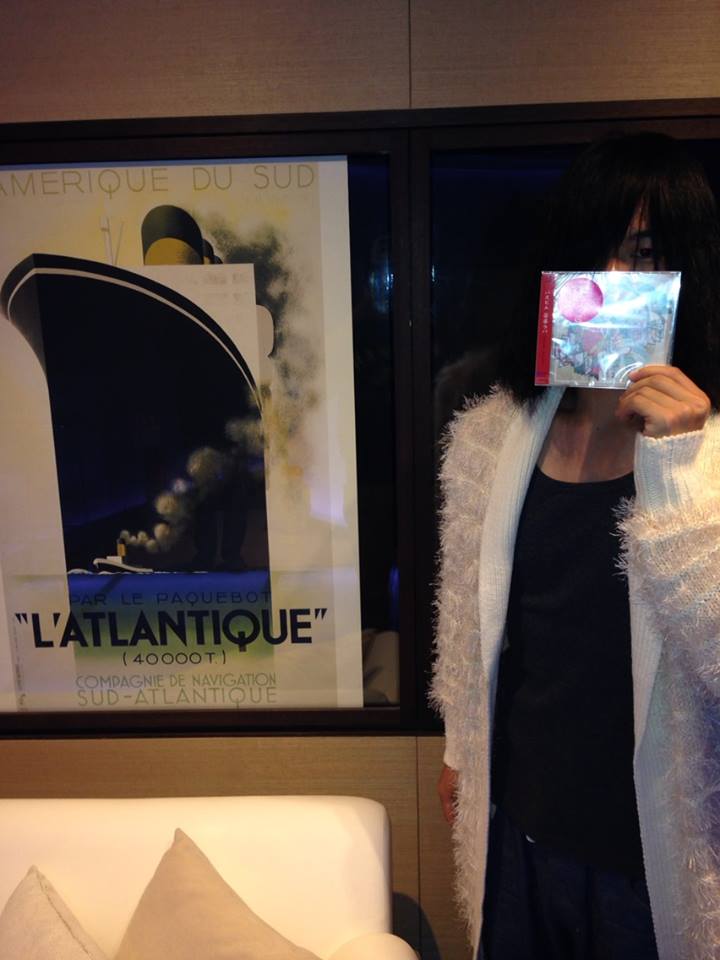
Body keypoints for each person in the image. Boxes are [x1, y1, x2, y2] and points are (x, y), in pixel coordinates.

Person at [430, 132, 720, 960]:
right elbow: (469, 619)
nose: (615, 278)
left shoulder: (708, 452)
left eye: (646, 254)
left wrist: (680, 466)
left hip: (655, 854)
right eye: (595, 251)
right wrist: (459, 751)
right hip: (520, 831)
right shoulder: (493, 433)